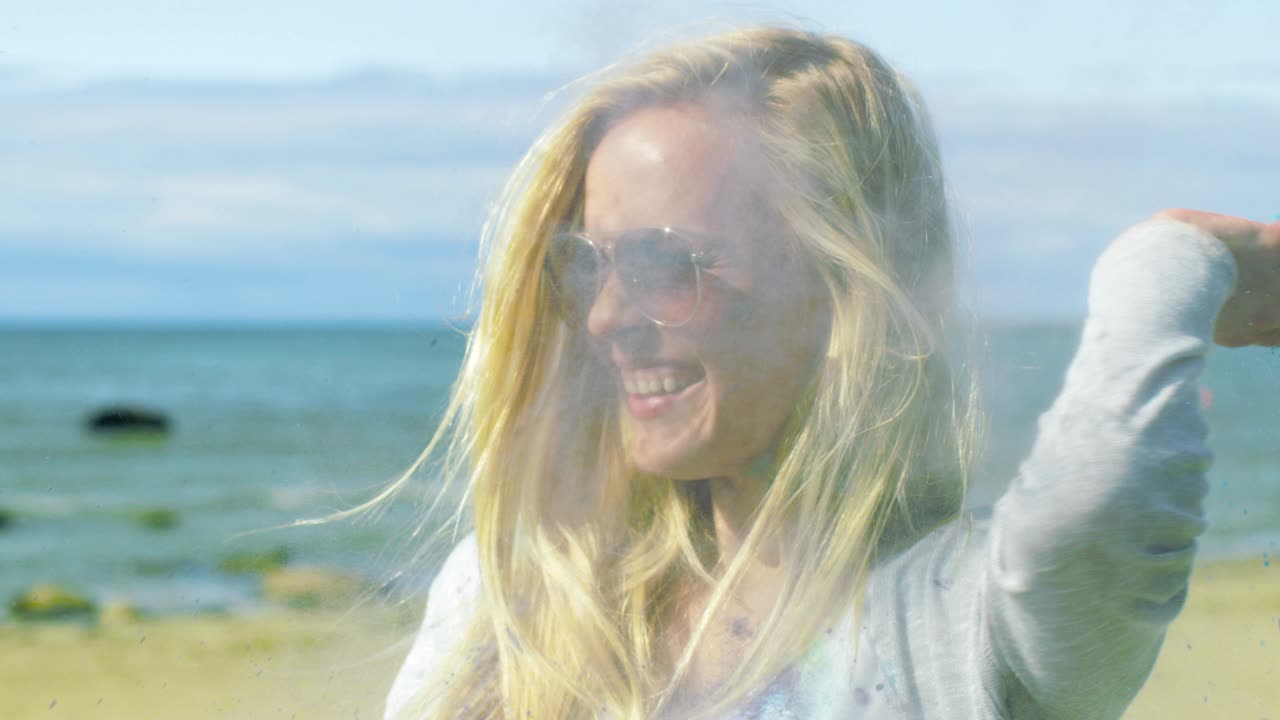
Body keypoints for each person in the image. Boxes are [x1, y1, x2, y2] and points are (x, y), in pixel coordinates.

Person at [381, 26, 1280, 720]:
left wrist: (1174, 258)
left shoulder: (962, 628)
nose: (610, 317)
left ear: (845, 299)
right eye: (589, 265)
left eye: (668, 264)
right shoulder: (521, 602)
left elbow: (1093, 505)